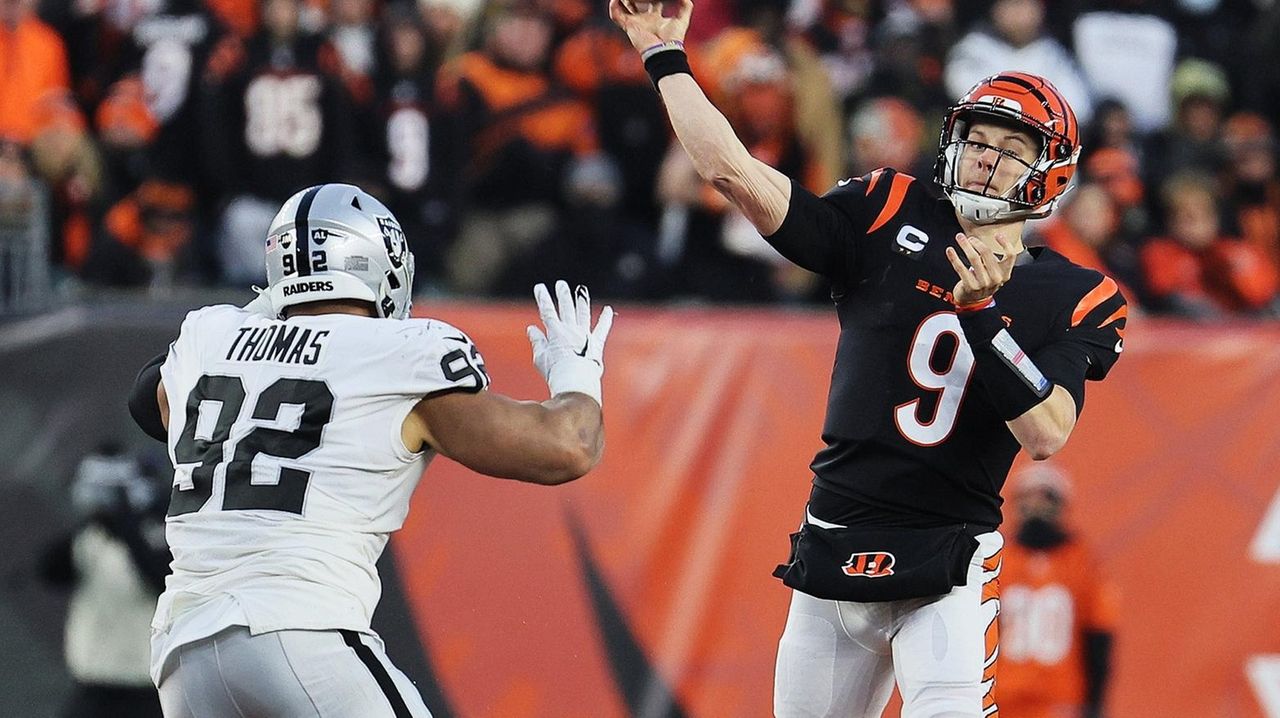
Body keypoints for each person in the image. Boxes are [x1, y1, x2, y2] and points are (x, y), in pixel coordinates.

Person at [610, 3, 1127, 716]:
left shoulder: (1077, 293)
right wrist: (662, 56)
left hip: (944, 563)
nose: (985, 155)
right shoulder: (890, 209)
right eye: (977, 138)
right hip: (833, 545)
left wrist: (981, 317)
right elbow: (731, 172)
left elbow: (1047, 433)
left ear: (1049, 174)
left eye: (1011, 148)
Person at [126, 183, 613, 717]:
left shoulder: (208, 333)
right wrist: (577, 373)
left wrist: (269, 325)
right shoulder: (399, 351)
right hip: (302, 632)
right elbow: (569, 448)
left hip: (183, 658)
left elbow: (148, 402)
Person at [40, 442, 169, 718]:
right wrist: (96, 518)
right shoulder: (90, 538)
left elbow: (161, 578)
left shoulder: (156, 533)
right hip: (94, 686)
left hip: (147, 689)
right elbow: (49, 571)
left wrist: (129, 523)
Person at [997, 465, 1117, 718]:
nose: (1036, 507)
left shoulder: (1082, 562)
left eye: (1046, 497)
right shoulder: (998, 560)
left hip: (1059, 700)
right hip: (1002, 697)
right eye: (1028, 498)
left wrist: (1094, 704)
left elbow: (1099, 635)